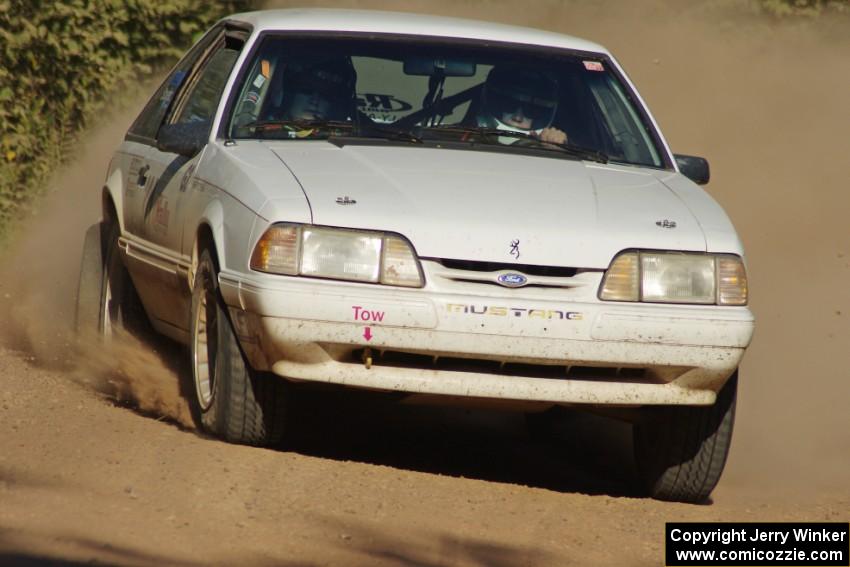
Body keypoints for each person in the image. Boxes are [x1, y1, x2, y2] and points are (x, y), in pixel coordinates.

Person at [476, 65, 567, 145]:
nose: (518, 118)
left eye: (532, 110)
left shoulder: (552, 148)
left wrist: (558, 147)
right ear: (496, 104)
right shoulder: (467, 138)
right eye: (509, 103)